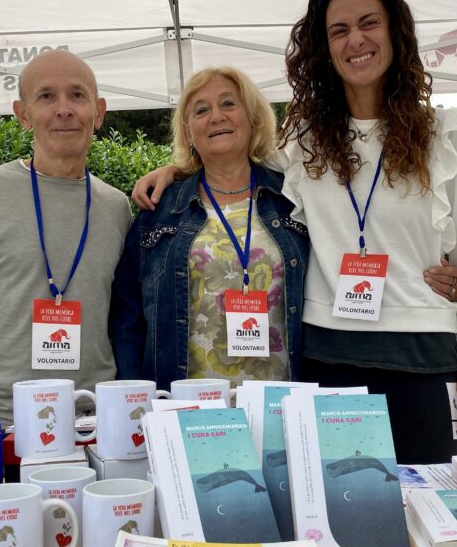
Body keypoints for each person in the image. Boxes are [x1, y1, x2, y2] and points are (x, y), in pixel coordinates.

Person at [133, 0, 457, 465]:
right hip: (328, 361)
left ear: (395, 32)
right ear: (325, 49)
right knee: (344, 522)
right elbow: (235, 165)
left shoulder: (441, 136)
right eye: (339, 31)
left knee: (425, 516)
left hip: (423, 358)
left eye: (369, 23)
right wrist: (178, 168)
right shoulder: (304, 142)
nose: (356, 40)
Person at [0, 50, 132, 425]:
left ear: (99, 113)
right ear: (22, 114)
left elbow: (124, 318)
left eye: (77, 95)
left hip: (95, 424)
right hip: (1, 425)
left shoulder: (117, 207)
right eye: (46, 96)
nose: (63, 109)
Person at [110, 67, 309, 387]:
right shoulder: (159, 210)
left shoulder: (293, 197)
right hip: (185, 407)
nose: (216, 116)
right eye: (201, 110)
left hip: (279, 403)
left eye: (229, 104)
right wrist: (135, 396)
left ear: (254, 118)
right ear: (188, 131)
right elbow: (127, 317)